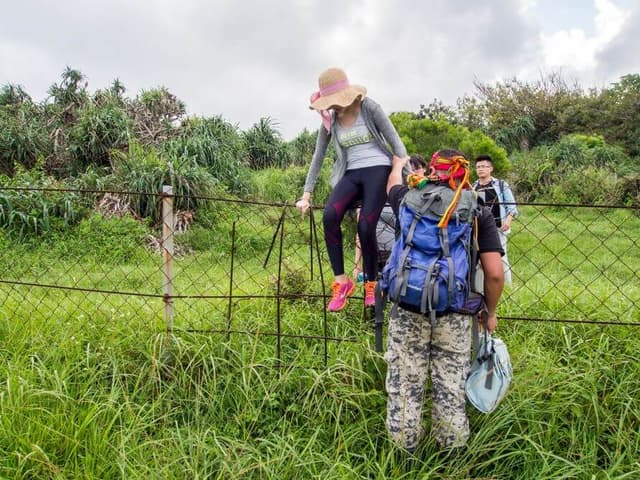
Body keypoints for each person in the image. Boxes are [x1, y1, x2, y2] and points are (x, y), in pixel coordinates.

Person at [384, 151, 505, 452]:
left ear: (433, 172)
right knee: (450, 388)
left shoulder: (407, 197)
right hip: (454, 309)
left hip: (407, 307)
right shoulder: (476, 208)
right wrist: (490, 312)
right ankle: (451, 457)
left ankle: (402, 455)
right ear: (462, 175)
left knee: (403, 385)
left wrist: (398, 164)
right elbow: (494, 275)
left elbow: (390, 187)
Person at [295, 67, 408, 312]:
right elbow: (318, 156)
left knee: (366, 225)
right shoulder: (330, 120)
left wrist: (400, 172)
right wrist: (306, 194)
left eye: (334, 101)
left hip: (378, 168)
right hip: (350, 172)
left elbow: (396, 143)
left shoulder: (370, 108)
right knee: (329, 215)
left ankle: (371, 282)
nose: (332, 106)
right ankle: (342, 282)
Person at [352, 154, 427, 283]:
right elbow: (360, 233)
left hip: (399, 254)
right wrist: (357, 264)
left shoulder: (416, 197)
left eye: (416, 169)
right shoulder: (388, 194)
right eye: (409, 169)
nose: (412, 172)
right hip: (373, 252)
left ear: (425, 169)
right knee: (372, 295)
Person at [472, 154, 518, 285]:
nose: (481, 169)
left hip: (498, 227)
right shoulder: (473, 187)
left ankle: (508, 286)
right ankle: (481, 287)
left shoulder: (501, 185)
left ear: (491, 168)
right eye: (478, 167)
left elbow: (512, 206)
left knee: (502, 258)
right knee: (479, 260)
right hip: (479, 229)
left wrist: (508, 221)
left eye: (484, 166)